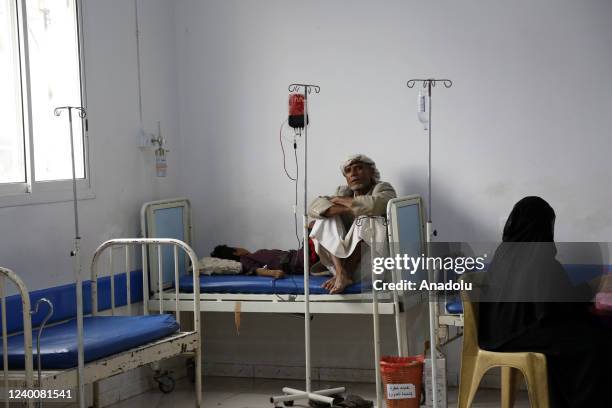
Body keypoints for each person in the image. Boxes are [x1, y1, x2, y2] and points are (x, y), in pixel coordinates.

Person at [477, 196, 611, 407]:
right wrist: (594, 286)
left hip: (497, 331)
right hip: (518, 333)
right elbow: (562, 303)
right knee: (594, 342)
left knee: (581, 333)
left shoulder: (505, 251)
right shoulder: (538, 256)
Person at [308, 154, 396, 294]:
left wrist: (341, 203)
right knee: (325, 217)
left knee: (369, 218)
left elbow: (375, 205)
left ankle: (346, 274)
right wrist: (341, 207)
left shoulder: (384, 188)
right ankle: (341, 273)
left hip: (371, 265)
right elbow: (314, 207)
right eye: (348, 171)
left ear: (371, 172)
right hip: (339, 265)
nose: (353, 174)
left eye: (359, 168)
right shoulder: (343, 192)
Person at [210, 240, 318, 279]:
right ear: (236, 252)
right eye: (238, 247)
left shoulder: (251, 256)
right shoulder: (244, 260)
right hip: (299, 260)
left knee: (316, 226)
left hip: (300, 256)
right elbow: (256, 270)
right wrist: (273, 273)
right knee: (313, 225)